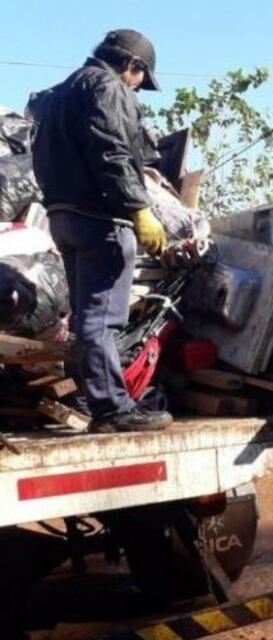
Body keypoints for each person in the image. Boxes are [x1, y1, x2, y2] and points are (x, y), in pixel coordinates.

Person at [31, 30, 171, 433]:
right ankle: (113, 409)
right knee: (102, 320)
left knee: (85, 319)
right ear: (132, 64)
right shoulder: (107, 86)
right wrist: (139, 208)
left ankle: (93, 401)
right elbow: (111, 152)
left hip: (63, 218)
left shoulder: (58, 94)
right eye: (140, 78)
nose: (138, 87)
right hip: (100, 222)